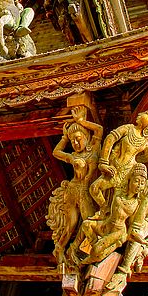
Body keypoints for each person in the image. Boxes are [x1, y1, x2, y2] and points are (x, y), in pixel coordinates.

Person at [46, 106, 104, 264]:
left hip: (87, 191)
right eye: (73, 141)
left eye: (78, 138)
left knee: (90, 223)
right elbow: (56, 152)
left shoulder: (94, 149)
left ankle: (81, 252)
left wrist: (81, 121)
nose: (76, 143)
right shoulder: (73, 156)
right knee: (70, 225)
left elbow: (99, 129)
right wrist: (65, 138)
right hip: (73, 189)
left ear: (86, 137)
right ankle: (59, 248)